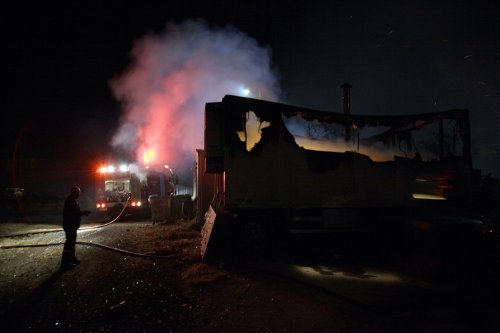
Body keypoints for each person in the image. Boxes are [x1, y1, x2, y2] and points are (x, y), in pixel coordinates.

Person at [61, 186, 91, 269]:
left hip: (71, 225)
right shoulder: (70, 201)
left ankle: (72, 259)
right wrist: (84, 213)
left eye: (79, 193)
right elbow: (75, 213)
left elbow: (76, 212)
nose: (79, 194)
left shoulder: (72, 200)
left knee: (72, 243)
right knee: (69, 244)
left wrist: (84, 213)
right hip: (70, 225)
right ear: (73, 193)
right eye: (77, 193)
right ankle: (66, 263)